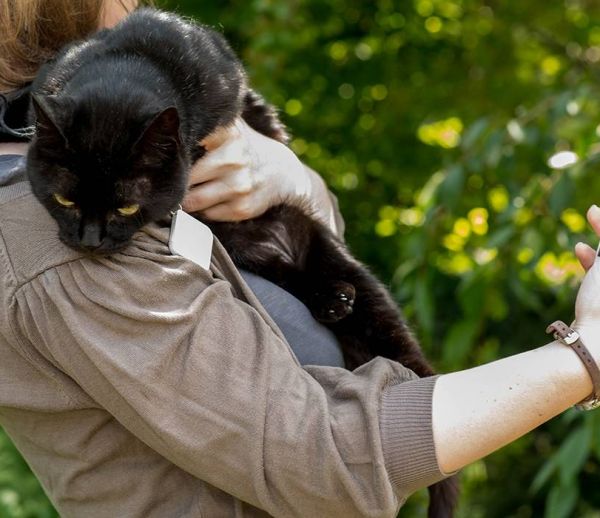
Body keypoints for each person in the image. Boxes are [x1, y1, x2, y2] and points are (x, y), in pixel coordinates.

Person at [1, 1, 600, 517]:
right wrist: (585, 356)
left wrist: (288, 177)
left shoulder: (121, 114)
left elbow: (316, 242)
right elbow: (327, 457)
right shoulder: (55, 227)